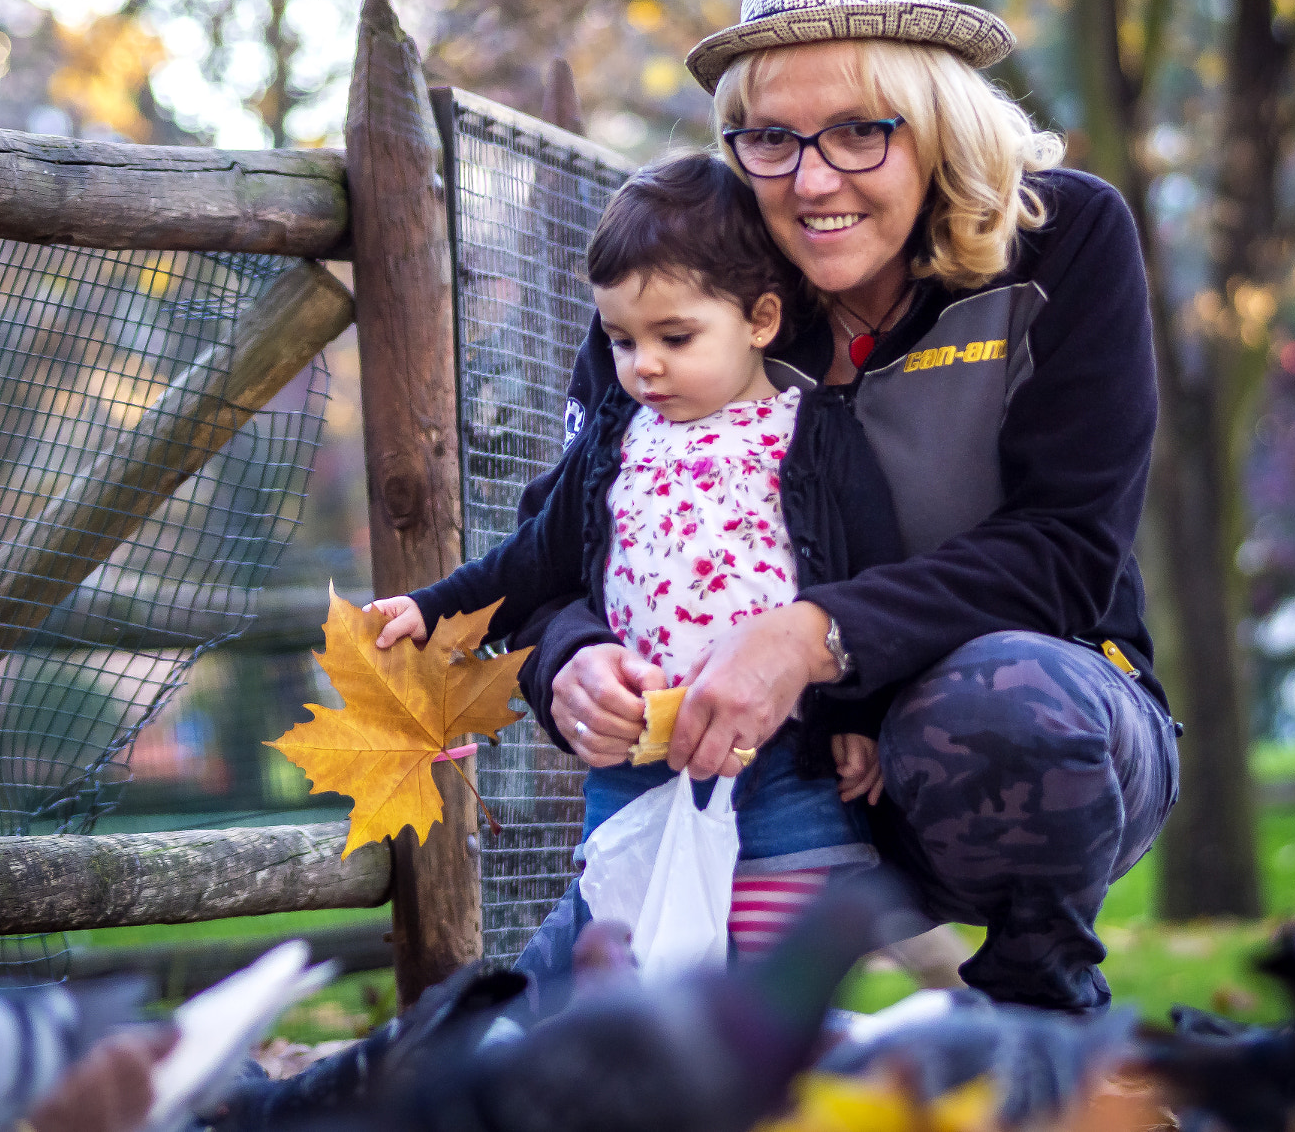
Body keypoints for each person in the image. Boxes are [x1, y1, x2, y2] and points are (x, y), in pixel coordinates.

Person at [508, 0, 1182, 1014]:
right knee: (516, 1054)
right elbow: (558, 548)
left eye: (858, 132)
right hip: (745, 776)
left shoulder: (1062, 241)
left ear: (939, 130)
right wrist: (569, 661)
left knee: (1007, 698)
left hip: (1019, 747)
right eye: (769, 139)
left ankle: (1038, 1018)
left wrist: (808, 633)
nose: (810, 179)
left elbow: (1066, 551)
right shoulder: (680, 289)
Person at [367, 151, 905, 965]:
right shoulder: (616, 445)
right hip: (635, 762)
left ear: (759, 320)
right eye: (620, 339)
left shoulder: (815, 436)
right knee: (625, 963)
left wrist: (865, 715)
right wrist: (431, 605)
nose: (642, 364)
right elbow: (531, 560)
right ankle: (630, 1089)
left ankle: (769, 1087)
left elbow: (870, 578)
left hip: (787, 764)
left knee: (772, 980)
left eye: (675, 336)